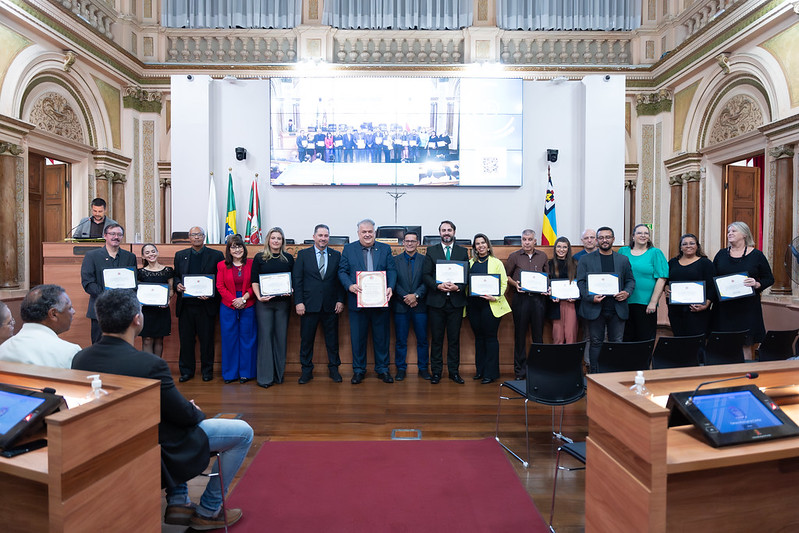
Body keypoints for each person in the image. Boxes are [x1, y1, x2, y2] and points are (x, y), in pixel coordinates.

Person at [71, 289, 253, 530]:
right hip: (153, 442)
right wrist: (193, 410)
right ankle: (209, 509)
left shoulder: (81, 359)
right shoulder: (150, 364)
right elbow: (183, 415)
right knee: (243, 432)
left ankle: (179, 501)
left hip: (109, 440)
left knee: (166, 418)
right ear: (138, 319)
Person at [338, 219, 397, 384]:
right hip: (357, 302)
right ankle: (358, 370)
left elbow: (391, 269)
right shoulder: (349, 249)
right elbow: (342, 271)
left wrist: (390, 287)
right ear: (358, 233)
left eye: (370, 231)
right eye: (363, 232)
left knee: (382, 338)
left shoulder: (384, 248)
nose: (367, 234)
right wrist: (349, 285)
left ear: (375, 232)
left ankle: (383, 369)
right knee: (358, 338)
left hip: (380, 302)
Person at [576, 226, 635, 373]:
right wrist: (590, 297)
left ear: (613, 239)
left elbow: (630, 280)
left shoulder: (623, 259)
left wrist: (626, 292)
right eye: (601, 237)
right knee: (596, 342)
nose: (604, 240)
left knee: (617, 343)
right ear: (597, 240)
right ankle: (595, 375)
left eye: (608, 237)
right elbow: (580, 282)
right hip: (595, 308)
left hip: (617, 308)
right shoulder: (585, 259)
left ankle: (615, 374)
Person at [293, 224, 346, 384]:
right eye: (320, 235)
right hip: (308, 305)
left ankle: (334, 369)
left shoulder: (336, 255)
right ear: (314, 236)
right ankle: (306, 370)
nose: (323, 238)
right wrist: (299, 302)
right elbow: (298, 280)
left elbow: (340, 279)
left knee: (332, 340)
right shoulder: (303, 255)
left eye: (326, 235)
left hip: (331, 305)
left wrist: (340, 300)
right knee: (306, 340)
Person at [712, 221, 774, 357]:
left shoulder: (757, 255)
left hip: (747, 308)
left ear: (744, 234)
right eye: (729, 232)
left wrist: (757, 284)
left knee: (746, 343)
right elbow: (712, 278)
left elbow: (769, 278)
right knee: (724, 344)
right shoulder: (721, 254)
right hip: (724, 309)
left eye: (734, 231)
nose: (730, 234)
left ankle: (746, 374)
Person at [173, 226, 224, 382]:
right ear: (189, 238)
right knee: (186, 340)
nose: (196, 237)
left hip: (206, 305)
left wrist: (210, 293)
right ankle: (186, 371)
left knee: (207, 340)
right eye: (193, 235)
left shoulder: (216, 255)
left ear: (204, 237)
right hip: (186, 306)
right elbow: (176, 276)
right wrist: (177, 285)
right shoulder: (180, 255)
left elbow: (220, 279)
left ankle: (207, 371)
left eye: (199, 234)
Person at [422, 220, 469, 384]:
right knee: (436, 339)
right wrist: (438, 285)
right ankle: (436, 372)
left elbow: (466, 275)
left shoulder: (462, 252)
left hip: (455, 302)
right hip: (436, 302)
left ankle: (454, 372)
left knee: (454, 339)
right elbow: (426, 275)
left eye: (449, 230)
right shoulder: (431, 251)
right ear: (439, 233)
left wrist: (458, 287)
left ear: (454, 232)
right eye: (443, 230)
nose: (446, 233)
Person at [251, 227, 294, 388]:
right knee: (265, 339)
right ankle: (265, 377)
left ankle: (278, 375)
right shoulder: (259, 258)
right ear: (268, 240)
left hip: (283, 304)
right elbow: (254, 281)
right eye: (273, 238)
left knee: (281, 338)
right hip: (264, 304)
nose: (276, 241)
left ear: (282, 241)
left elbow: (293, 281)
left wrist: (290, 290)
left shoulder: (288, 258)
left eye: (279, 238)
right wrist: (259, 297)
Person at [80, 223, 137, 344]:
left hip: (122, 310)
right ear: (105, 236)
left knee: (122, 346)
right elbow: (88, 282)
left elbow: (133, 283)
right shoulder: (92, 256)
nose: (116, 237)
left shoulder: (130, 257)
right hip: (100, 309)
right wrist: (107, 296)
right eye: (112, 234)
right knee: (99, 345)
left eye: (119, 234)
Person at [504, 229, 548, 380]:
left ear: (535, 241)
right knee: (520, 335)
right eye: (524, 239)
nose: (527, 242)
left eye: (530, 239)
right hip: (520, 299)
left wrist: (547, 288)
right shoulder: (514, 256)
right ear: (521, 240)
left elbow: (547, 277)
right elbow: (506, 276)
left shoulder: (542, 256)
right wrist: (514, 284)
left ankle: (538, 369)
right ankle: (520, 371)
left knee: (538, 336)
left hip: (538, 300)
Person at [0, 284, 80, 368]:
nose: (73, 312)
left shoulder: (3, 349)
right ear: (53, 314)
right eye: (70, 308)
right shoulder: (70, 353)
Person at [467, 234, 510, 384]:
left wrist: (495, 297)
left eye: (483, 243)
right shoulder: (470, 263)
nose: (480, 246)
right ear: (474, 247)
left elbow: (504, 282)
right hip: (474, 306)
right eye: (477, 244)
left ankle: (491, 373)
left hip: (490, 306)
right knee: (479, 338)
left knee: (490, 338)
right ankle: (480, 370)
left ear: (488, 245)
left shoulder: (496, 262)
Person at [216, 234, 256, 384]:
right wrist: (234, 301)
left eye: (239, 246)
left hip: (248, 303)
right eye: (233, 247)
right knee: (229, 339)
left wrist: (244, 298)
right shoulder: (221, 265)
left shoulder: (251, 263)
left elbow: (255, 284)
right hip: (228, 305)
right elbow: (220, 286)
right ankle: (230, 374)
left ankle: (246, 373)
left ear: (244, 248)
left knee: (248, 339)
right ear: (228, 250)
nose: (237, 249)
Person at [619, 224, 668, 342]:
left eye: (646, 233)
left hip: (646, 303)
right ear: (633, 236)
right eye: (639, 233)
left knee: (644, 337)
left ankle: (643, 361)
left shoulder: (655, 253)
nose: (643, 235)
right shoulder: (623, 251)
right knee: (627, 337)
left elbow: (662, 278)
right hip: (624, 301)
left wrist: (653, 302)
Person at [393, 230, 429, 380]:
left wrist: (416, 296)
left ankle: (423, 368)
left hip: (420, 306)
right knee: (401, 340)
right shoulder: (394, 260)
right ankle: (401, 368)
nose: (409, 243)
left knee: (423, 339)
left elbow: (427, 280)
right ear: (403, 243)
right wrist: (405, 297)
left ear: (418, 243)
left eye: (413, 241)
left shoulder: (425, 260)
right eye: (407, 241)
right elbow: (392, 281)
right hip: (401, 306)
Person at [666, 234, 715, 337]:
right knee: (679, 341)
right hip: (676, 311)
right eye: (685, 244)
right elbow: (665, 281)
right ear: (680, 247)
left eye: (692, 243)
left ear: (697, 246)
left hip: (697, 310)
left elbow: (712, 286)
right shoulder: (672, 263)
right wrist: (665, 288)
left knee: (696, 343)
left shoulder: (705, 263)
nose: (688, 246)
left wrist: (706, 304)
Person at [137, 243, 174, 357]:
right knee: (147, 339)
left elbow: (171, 290)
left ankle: (157, 371)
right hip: (146, 312)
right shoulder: (140, 273)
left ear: (157, 253)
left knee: (159, 340)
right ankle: (147, 371)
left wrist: (167, 300)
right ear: (143, 256)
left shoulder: (168, 270)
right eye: (147, 253)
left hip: (162, 310)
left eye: (153, 251)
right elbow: (138, 292)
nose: (151, 254)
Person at [547, 236, 579, 344]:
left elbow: (579, 282)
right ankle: (558, 361)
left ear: (568, 249)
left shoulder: (575, 263)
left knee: (571, 335)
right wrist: (550, 293)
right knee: (558, 337)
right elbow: (547, 282)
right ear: (555, 248)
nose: (561, 249)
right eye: (559, 246)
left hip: (571, 303)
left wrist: (576, 296)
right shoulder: (549, 264)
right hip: (555, 304)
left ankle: (571, 361)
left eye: (565, 247)